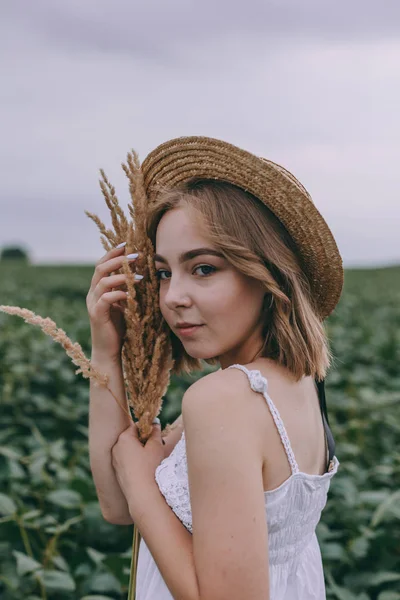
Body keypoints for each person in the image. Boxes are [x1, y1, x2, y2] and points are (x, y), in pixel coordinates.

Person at [87, 136, 343, 600]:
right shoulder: (298, 381)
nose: (173, 297)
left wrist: (142, 483)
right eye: (164, 272)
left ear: (266, 274)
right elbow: (116, 506)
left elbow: (133, 499)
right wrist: (107, 353)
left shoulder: (223, 400)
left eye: (203, 269)